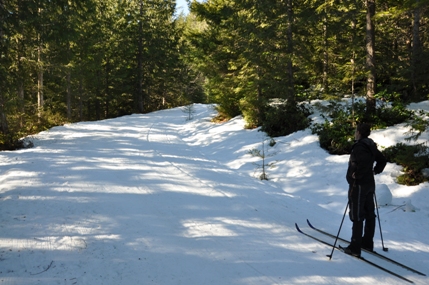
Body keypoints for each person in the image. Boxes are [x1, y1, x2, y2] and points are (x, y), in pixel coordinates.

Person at [344, 123, 387, 257]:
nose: (355, 133)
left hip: (359, 186)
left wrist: (357, 176)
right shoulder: (370, 145)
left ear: (359, 133)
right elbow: (382, 160)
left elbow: (360, 164)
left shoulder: (360, 147)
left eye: (356, 131)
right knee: (369, 212)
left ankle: (355, 247)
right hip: (369, 184)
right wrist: (374, 171)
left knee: (357, 214)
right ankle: (367, 242)